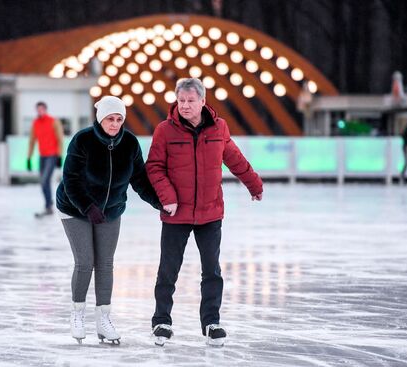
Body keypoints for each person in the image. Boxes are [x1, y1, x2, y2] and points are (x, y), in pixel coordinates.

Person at [146, 78, 263, 347]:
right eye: (181, 101)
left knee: (212, 271)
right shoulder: (165, 130)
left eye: (190, 101)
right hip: (176, 214)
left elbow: (235, 158)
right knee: (168, 270)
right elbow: (154, 167)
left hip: (210, 213)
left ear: (202, 101)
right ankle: (161, 321)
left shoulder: (218, 128)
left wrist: (253, 184)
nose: (185, 106)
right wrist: (168, 198)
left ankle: (212, 322)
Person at [56, 96, 162, 344]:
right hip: (74, 208)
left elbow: (140, 181)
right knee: (85, 261)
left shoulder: (130, 144)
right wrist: (88, 206)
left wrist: (158, 202)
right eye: (110, 119)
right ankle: (77, 314)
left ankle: (103, 319)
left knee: (105, 264)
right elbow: (70, 180)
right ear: (100, 118)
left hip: (111, 210)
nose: (114, 124)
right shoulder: (83, 140)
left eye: (119, 119)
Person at [27, 101, 64, 218]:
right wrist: (29, 157)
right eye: (38, 110)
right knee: (44, 183)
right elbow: (32, 140)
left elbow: (60, 139)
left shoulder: (54, 121)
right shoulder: (35, 123)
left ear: (45, 109)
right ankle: (49, 206)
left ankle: (49, 204)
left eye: (41, 109)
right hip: (42, 156)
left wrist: (59, 156)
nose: (39, 112)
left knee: (44, 180)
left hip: (52, 155)